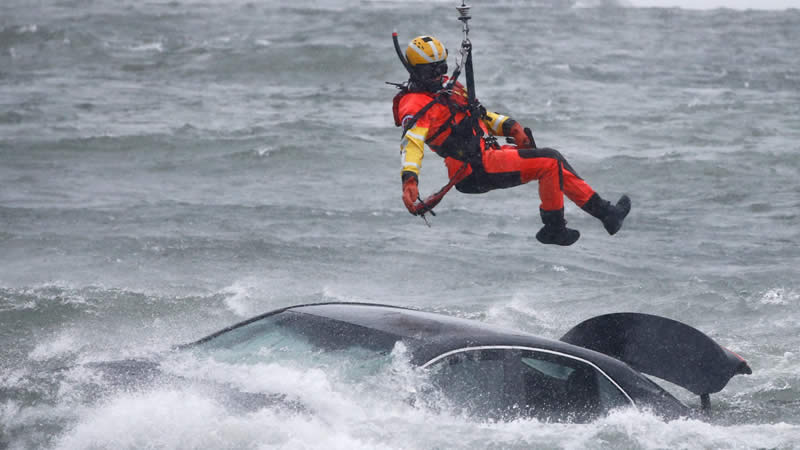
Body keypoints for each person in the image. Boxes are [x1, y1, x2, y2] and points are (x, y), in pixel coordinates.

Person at [391, 35, 631, 246]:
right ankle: (554, 228)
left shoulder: (449, 89)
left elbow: (479, 116)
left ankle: (607, 214)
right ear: (415, 70)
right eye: (430, 72)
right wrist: (409, 180)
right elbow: (412, 144)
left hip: (488, 156)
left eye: (441, 69)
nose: (438, 77)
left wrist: (510, 127)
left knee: (554, 164)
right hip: (473, 169)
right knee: (549, 162)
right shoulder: (414, 104)